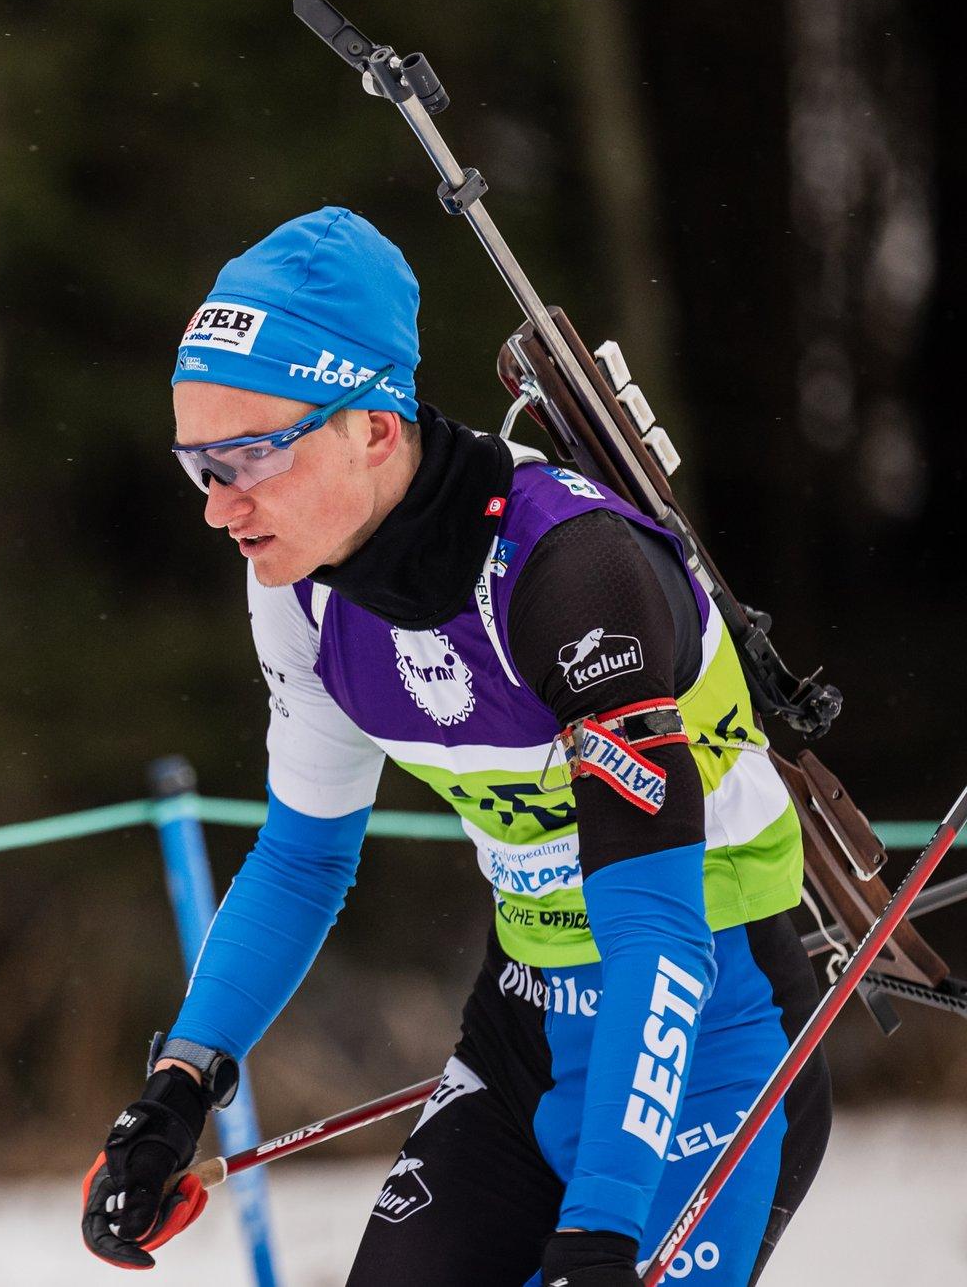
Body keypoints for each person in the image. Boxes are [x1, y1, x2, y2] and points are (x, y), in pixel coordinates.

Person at [78, 207, 830, 1286]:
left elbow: (657, 928)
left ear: (372, 428)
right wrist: (175, 1087)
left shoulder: (571, 574)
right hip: (521, 1027)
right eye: (195, 464)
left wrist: (605, 1225)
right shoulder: (300, 592)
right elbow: (300, 858)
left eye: (245, 457)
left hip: (704, 1029)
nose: (216, 507)